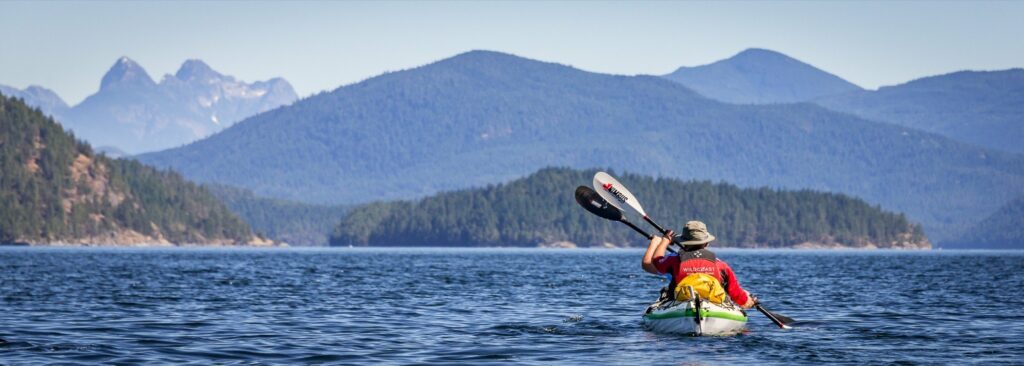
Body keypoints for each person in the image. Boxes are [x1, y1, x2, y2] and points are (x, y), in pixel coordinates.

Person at [641, 220, 756, 308]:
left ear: (684, 243)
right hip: (714, 305)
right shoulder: (721, 265)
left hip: (682, 303)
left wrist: (664, 241)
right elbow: (736, 293)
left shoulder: (674, 260)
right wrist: (748, 301)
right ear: (706, 243)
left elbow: (656, 261)